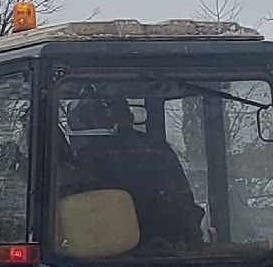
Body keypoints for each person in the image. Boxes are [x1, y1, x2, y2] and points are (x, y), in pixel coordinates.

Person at [59, 92, 204, 251]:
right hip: (166, 244)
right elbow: (183, 197)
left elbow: (77, 207)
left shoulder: (87, 156)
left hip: (106, 246)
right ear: (130, 117)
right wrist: (191, 241)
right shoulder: (158, 148)